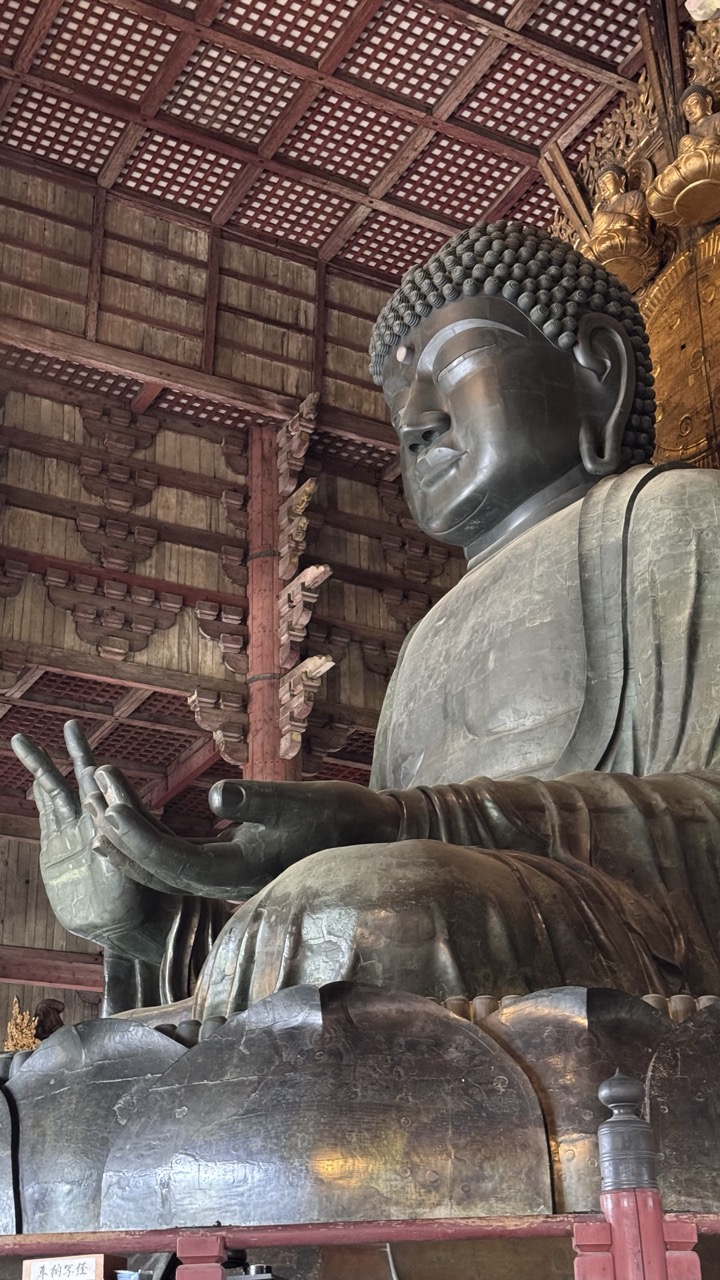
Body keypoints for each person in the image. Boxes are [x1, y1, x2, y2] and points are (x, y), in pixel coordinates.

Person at [14, 219, 720, 1023]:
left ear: (599, 369)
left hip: (635, 947)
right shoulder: (428, 640)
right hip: (453, 929)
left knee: (359, 905)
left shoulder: (678, 521)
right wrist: (147, 922)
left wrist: (402, 820)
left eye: (455, 364)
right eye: (398, 401)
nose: (415, 421)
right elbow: (357, 923)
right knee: (116, 1036)